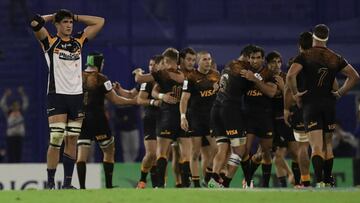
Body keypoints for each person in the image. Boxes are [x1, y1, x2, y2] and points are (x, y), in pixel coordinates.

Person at [30, 9, 104, 189]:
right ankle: (49, 183)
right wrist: (52, 16)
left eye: (71, 22)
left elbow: (100, 21)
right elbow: (34, 22)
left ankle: (68, 184)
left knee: (72, 139)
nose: (69, 25)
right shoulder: (50, 42)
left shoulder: (78, 41)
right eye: (64, 22)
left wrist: (77, 17)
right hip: (57, 96)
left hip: (76, 97)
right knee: (56, 138)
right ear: (57, 25)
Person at [286, 24, 359, 187]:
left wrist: (296, 93)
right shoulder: (335, 57)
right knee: (328, 145)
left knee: (316, 146)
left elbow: (290, 75)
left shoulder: (306, 55)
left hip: (311, 104)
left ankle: (319, 181)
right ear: (327, 37)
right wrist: (340, 92)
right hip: (329, 104)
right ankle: (328, 179)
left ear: (313, 37)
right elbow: (354, 77)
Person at [76, 52, 135, 189]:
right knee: (109, 151)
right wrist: (134, 101)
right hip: (98, 119)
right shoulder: (102, 79)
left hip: (81, 119)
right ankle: (108, 186)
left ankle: (82, 188)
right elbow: (116, 100)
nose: (103, 66)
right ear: (98, 64)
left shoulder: (77, 76)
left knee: (81, 155)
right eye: (102, 63)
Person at [208, 59, 253, 188]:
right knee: (239, 150)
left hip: (216, 109)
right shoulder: (244, 72)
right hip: (230, 111)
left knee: (222, 148)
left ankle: (214, 179)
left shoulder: (228, 67)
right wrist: (255, 79)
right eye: (253, 58)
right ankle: (225, 183)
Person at [180, 51, 220, 187]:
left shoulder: (216, 75)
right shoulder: (190, 77)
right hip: (195, 118)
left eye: (209, 59)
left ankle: (208, 172)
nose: (208, 62)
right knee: (195, 151)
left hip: (211, 118)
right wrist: (183, 117)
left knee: (216, 148)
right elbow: (184, 99)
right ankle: (196, 183)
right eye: (204, 59)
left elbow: (222, 95)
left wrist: (219, 89)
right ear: (198, 61)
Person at [266, 51, 301, 187]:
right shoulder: (264, 78)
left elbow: (293, 100)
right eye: (273, 62)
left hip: (287, 121)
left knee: (294, 153)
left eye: (279, 61)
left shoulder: (287, 78)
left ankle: (298, 180)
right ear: (268, 64)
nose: (276, 65)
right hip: (272, 122)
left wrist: (282, 86)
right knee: (278, 157)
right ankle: (286, 184)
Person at [284, 31, 313, 187]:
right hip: (322, 107)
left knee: (303, 147)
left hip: (302, 107)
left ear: (299, 46)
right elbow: (335, 85)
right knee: (323, 145)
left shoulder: (296, 62)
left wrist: (286, 109)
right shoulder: (324, 60)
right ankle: (325, 181)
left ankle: (306, 181)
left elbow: (288, 87)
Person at [135, 55, 163, 189]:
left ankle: (158, 186)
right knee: (151, 154)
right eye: (150, 65)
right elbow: (139, 100)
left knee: (161, 155)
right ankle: (142, 180)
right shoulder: (147, 82)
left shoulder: (168, 79)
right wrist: (153, 102)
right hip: (150, 119)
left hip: (166, 119)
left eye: (154, 65)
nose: (151, 67)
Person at [0, 87, 28, 162]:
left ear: (19, 106)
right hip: (11, 136)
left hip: (19, 136)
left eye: (17, 105)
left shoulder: (21, 112)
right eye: (14, 105)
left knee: (18, 153)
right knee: (11, 153)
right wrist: (6, 95)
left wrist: (22, 93)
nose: (16, 107)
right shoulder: (9, 113)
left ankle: (18, 167)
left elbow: (26, 102)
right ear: (12, 106)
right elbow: (2, 104)